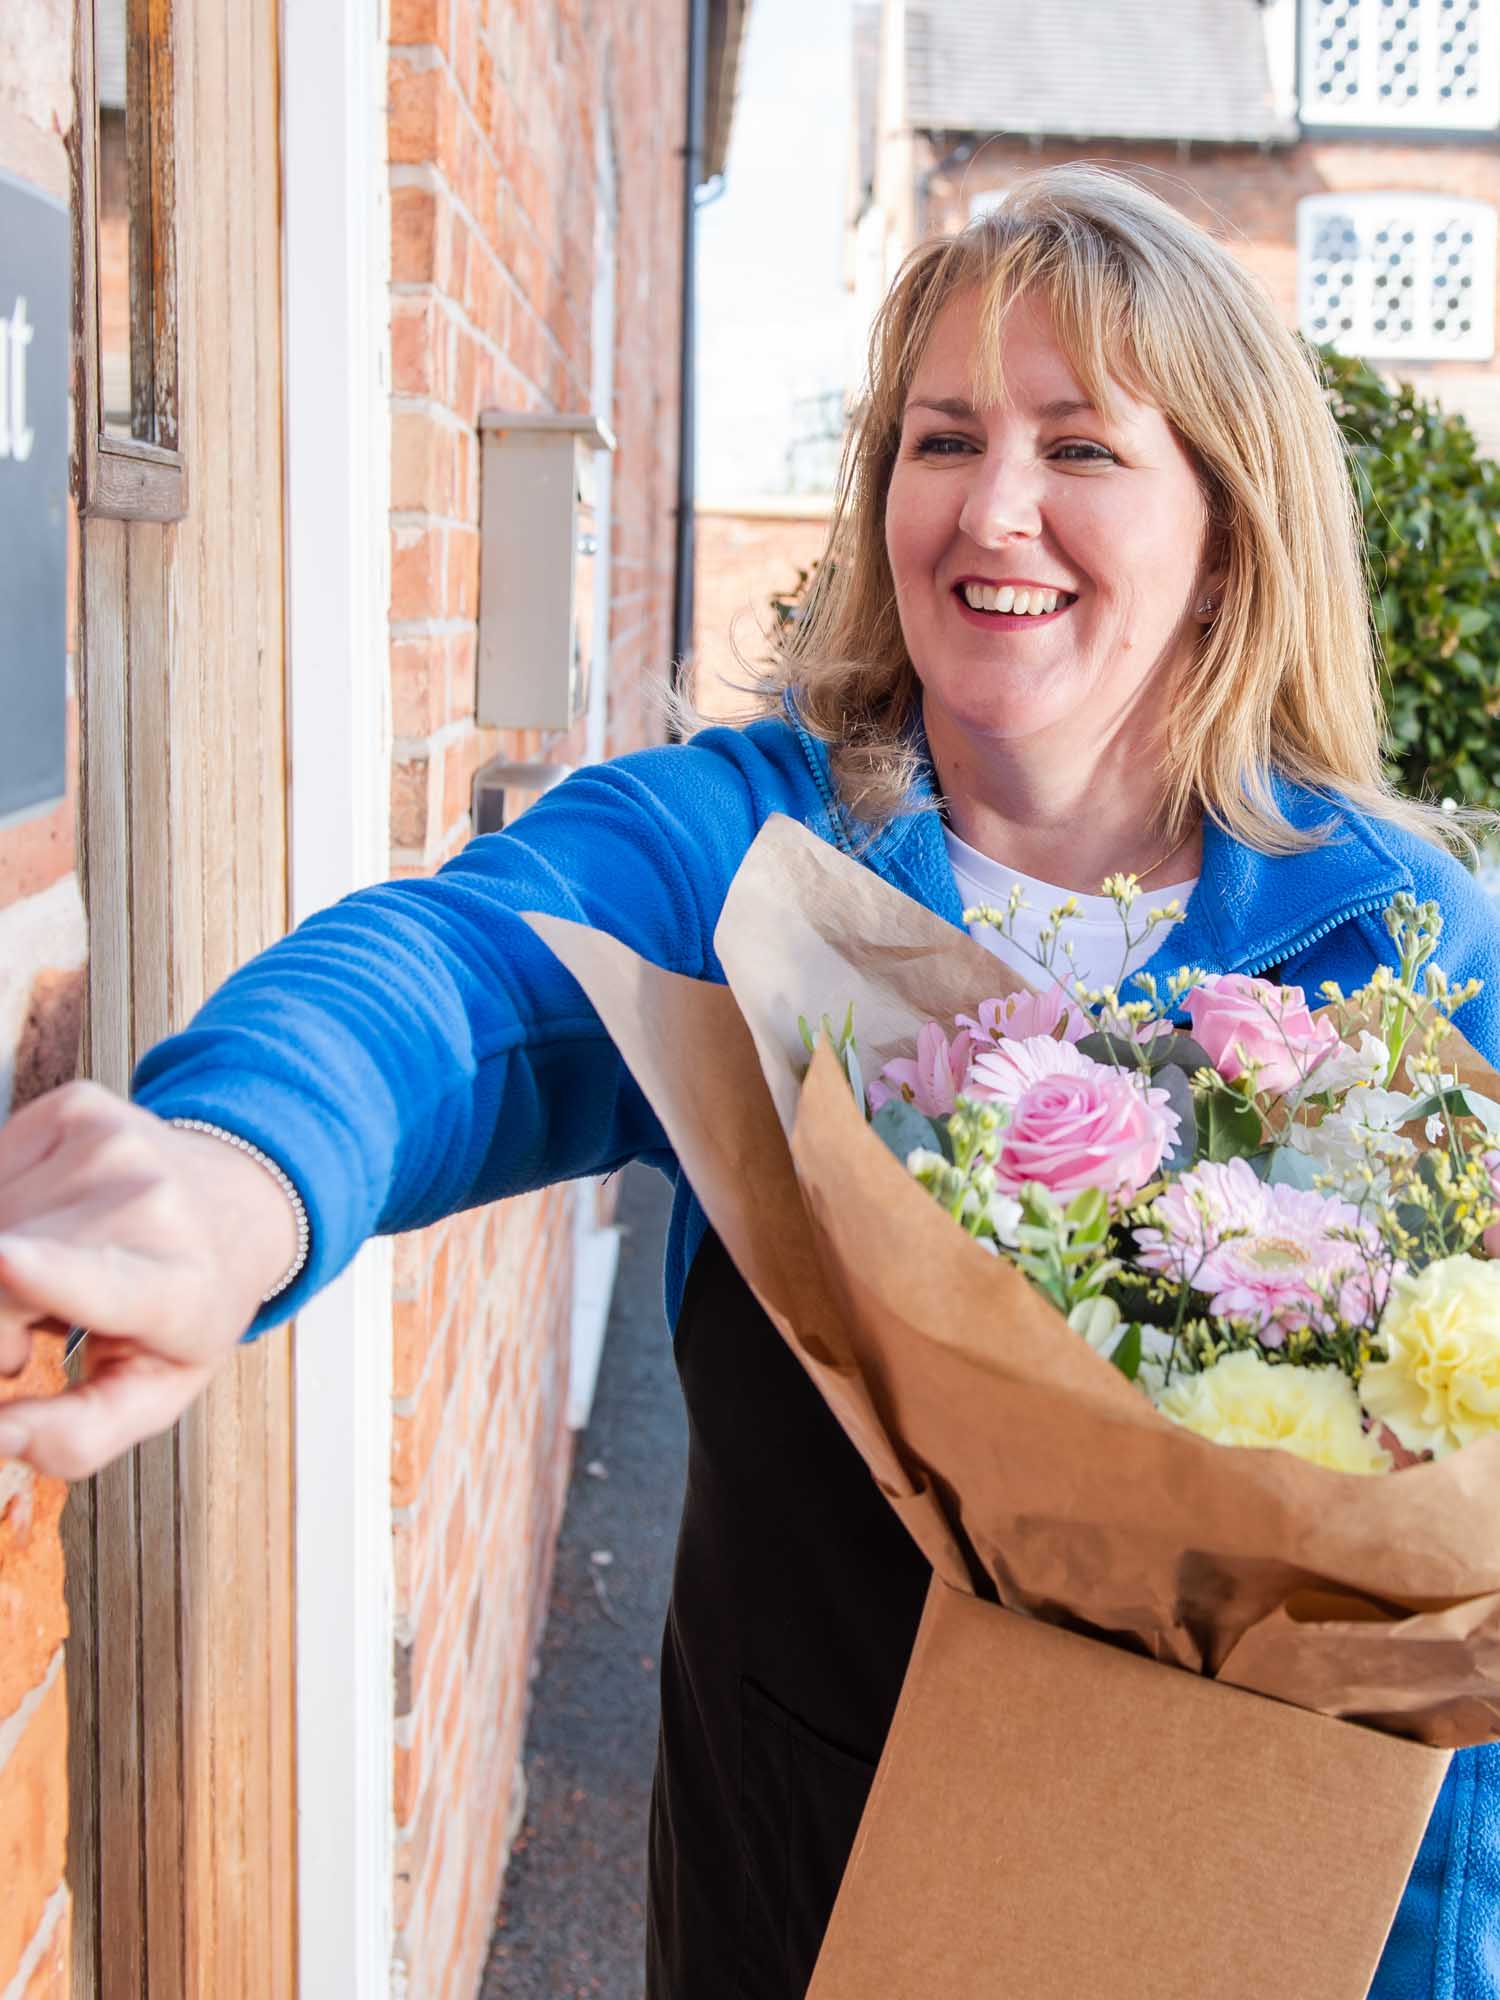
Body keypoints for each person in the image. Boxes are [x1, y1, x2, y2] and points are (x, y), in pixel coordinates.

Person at [1, 165, 1497, 1996]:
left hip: (1293, 1925)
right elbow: (464, 978)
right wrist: (242, 1174)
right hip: (818, 1895)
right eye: (943, 436)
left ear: (1228, 528)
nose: (992, 506)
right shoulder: (753, 858)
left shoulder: (1398, 935)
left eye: (1082, 447)